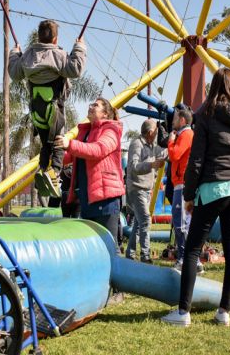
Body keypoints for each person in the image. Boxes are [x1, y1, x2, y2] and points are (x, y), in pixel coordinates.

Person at [162, 68, 230, 327]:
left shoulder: (204, 116)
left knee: (193, 248)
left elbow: (197, 160)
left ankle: (183, 312)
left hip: (212, 188)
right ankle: (224, 312)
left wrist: (190, 194)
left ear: (213, 87)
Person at [9, 19, 87, 198]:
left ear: (38, 36)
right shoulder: (58, 56)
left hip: (36, 109)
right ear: (55, 40)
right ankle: (56, 173)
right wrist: (79, 48)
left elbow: (14, 73)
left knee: (46, 144)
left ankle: (42, 168)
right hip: (55, 108)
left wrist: (15, 53)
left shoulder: (27, 55)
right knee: (59, 140)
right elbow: (75, 70)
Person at [54, 98, 124, 249]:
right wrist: (55, 153)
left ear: (105, 114)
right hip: (88, 198)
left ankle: (114, 272)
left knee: (110, 247)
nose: (91, 106)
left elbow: (98, 150)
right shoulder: (85, 133)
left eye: (96, 105)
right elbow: (72, 156)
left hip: (106, 199)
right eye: (91, 104)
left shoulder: (111, 130)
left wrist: (69, 144)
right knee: (93, 248)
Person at [125, 119, 167, 263]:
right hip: (137, 188)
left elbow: (165, 153)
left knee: (138, 224)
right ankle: (145, 255)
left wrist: (168, 137)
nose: (157, 133)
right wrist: (152, 165)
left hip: (145, 189)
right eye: (156, 131)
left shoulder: (152, 145)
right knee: (145, 221)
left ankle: (130, 254)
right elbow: (134, 166)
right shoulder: (137, 144)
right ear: (150, 132)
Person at [167, 105, 202, 274]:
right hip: (180, 183)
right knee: (183, 223)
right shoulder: (186, 134)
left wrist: (170, 140)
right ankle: (192, 261)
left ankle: (184, 260)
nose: (172, 122)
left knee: (181, 224)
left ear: (182, 120)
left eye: (174, 119)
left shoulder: (186, 134)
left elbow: (175, 155)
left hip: (182, 183)